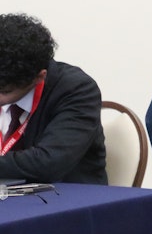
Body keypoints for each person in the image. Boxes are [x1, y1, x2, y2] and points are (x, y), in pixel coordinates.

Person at [0, 13, 107, 184]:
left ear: (39, 77)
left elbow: (49, 162)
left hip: (64, 199)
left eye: (4, 91)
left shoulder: (77, 89)